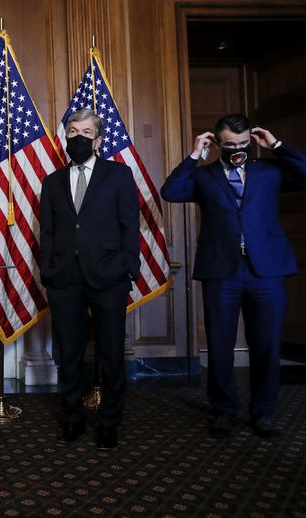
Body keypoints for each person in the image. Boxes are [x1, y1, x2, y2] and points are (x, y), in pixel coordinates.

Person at [161, 113, 306, 439]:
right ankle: (225, 411)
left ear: (250, 142)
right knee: (220, 344)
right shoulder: (204, 176)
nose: (237, 149)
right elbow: (171, 191)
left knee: (267, 345)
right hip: (221, 271)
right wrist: (195, 154)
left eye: (242, 144)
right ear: (217, 143)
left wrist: (277, 146)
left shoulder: (270, 170)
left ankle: (264, 413)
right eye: (229, 145)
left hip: (266, 271)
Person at [39, 108, 140, 451]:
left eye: (85, 132)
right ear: (65, 137)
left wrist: (129, 266)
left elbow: (131, 226)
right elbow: (48, 232)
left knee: (111, 353)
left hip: (109, 276)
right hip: (64, 279)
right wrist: (48, 270)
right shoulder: (51, 182)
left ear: (97, 140)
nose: (78, 137)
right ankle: (73, 418)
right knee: (69, 354)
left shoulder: (118, 176)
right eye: (72, 131)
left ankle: (110, 422)